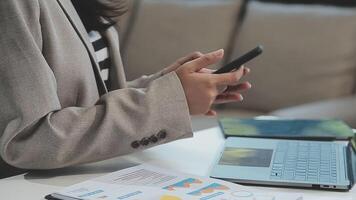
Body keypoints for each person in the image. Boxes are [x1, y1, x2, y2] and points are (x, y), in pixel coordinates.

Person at [0, 0, 251, 178]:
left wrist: (165, 85)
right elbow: (30, 141)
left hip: (85, 177)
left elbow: (89, 99)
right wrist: (171, 100)